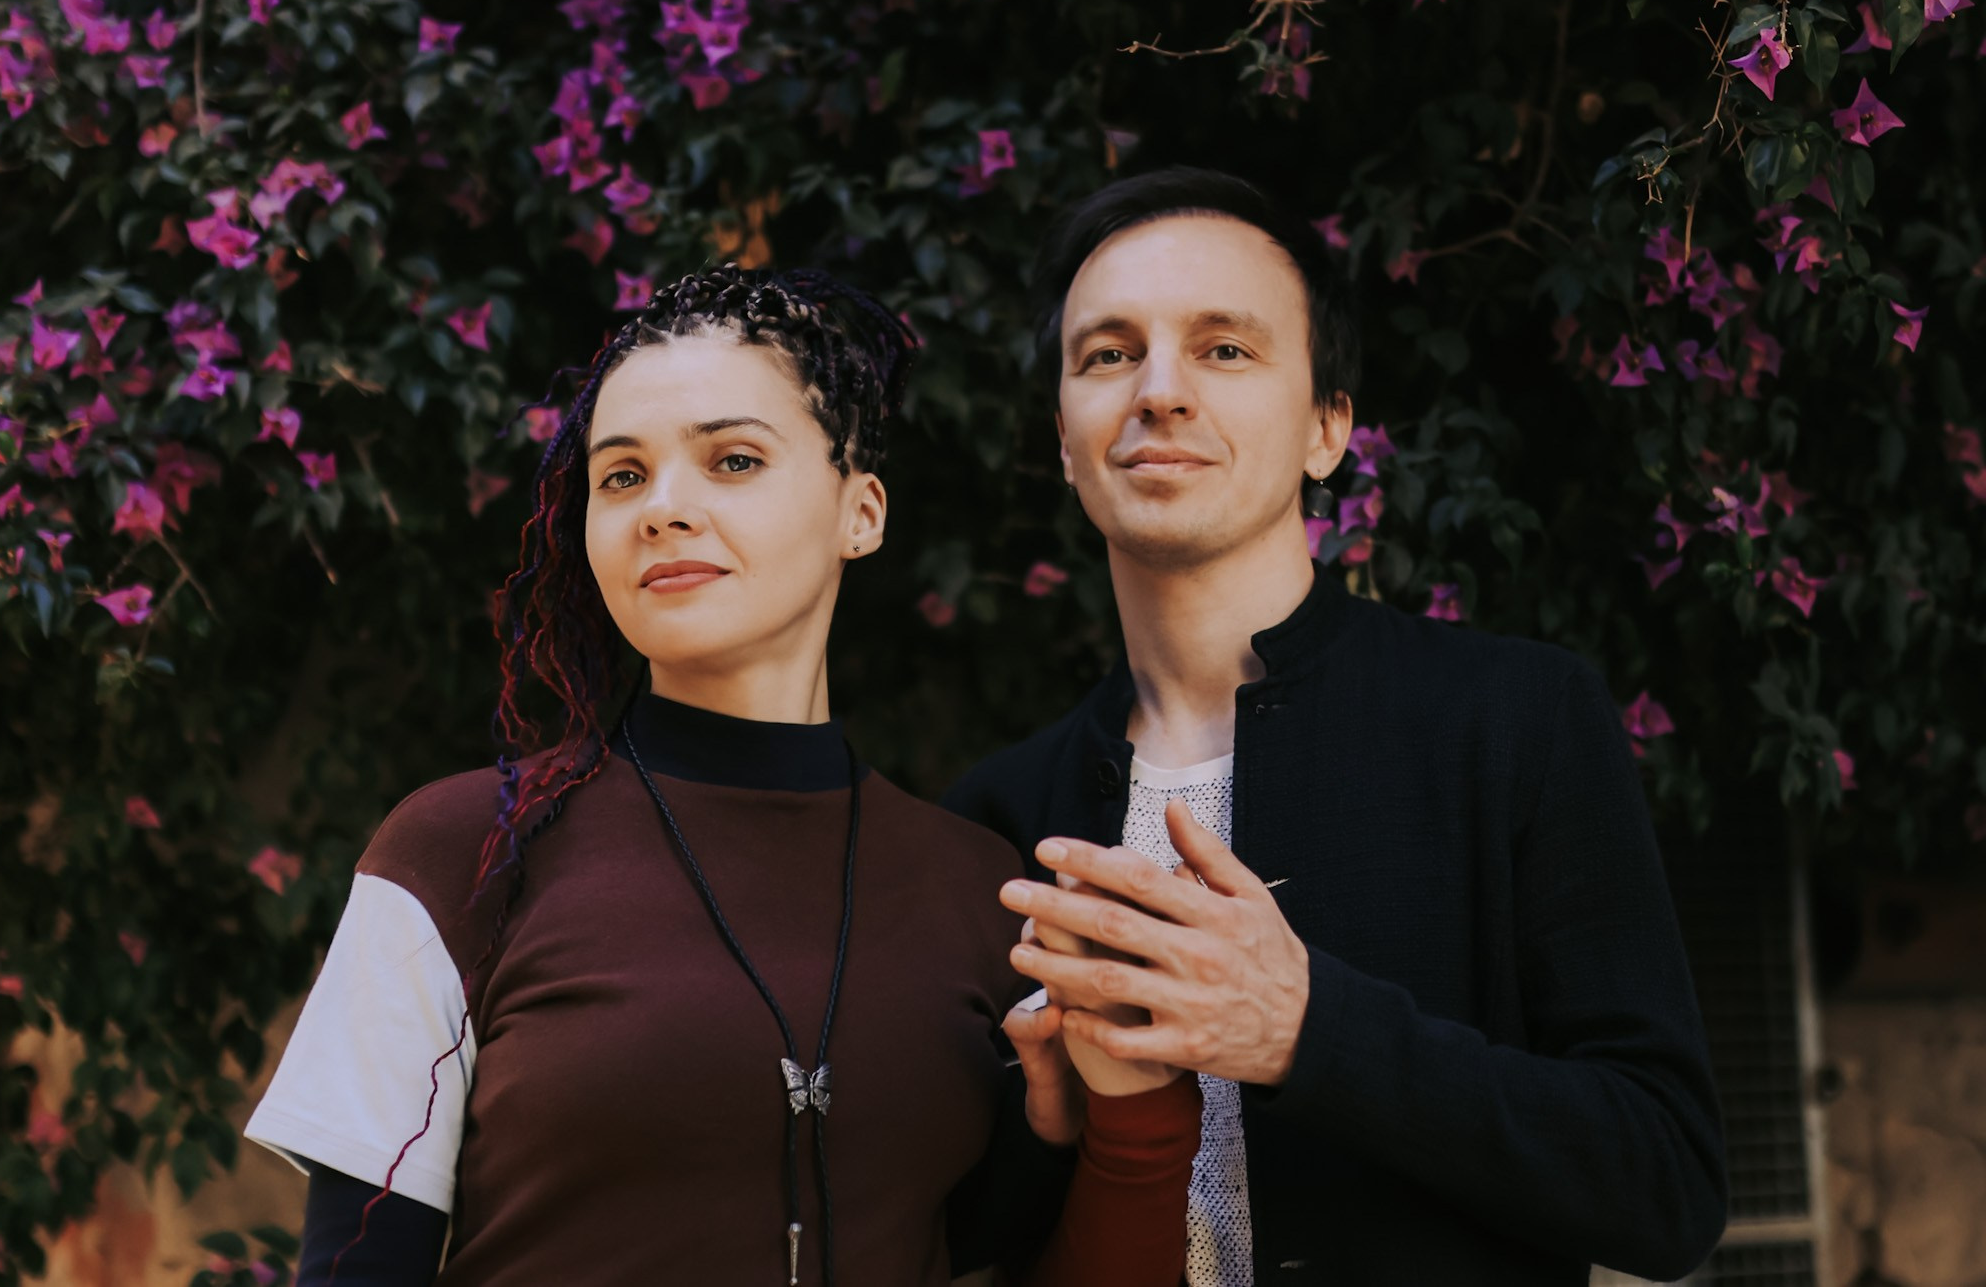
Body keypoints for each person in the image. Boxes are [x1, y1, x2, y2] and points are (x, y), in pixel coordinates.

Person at [243, 264, 1201, 1286]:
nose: (661, 509)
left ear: (861, 512)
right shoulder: (460, 854)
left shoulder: (980, 889)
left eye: (732, 460)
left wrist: (1063, 1130)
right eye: (621, 477)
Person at [942, 168, 1730, 1286]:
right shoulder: (995, 815)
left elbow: (1667, 1184)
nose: (1158, 391)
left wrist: (1310, 1030)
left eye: (1223, 349)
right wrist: (1053, 1128)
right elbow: (959, 1239)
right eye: (1109, 354)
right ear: (1065, 441)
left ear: (1327, 429)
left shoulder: (1514, 720)